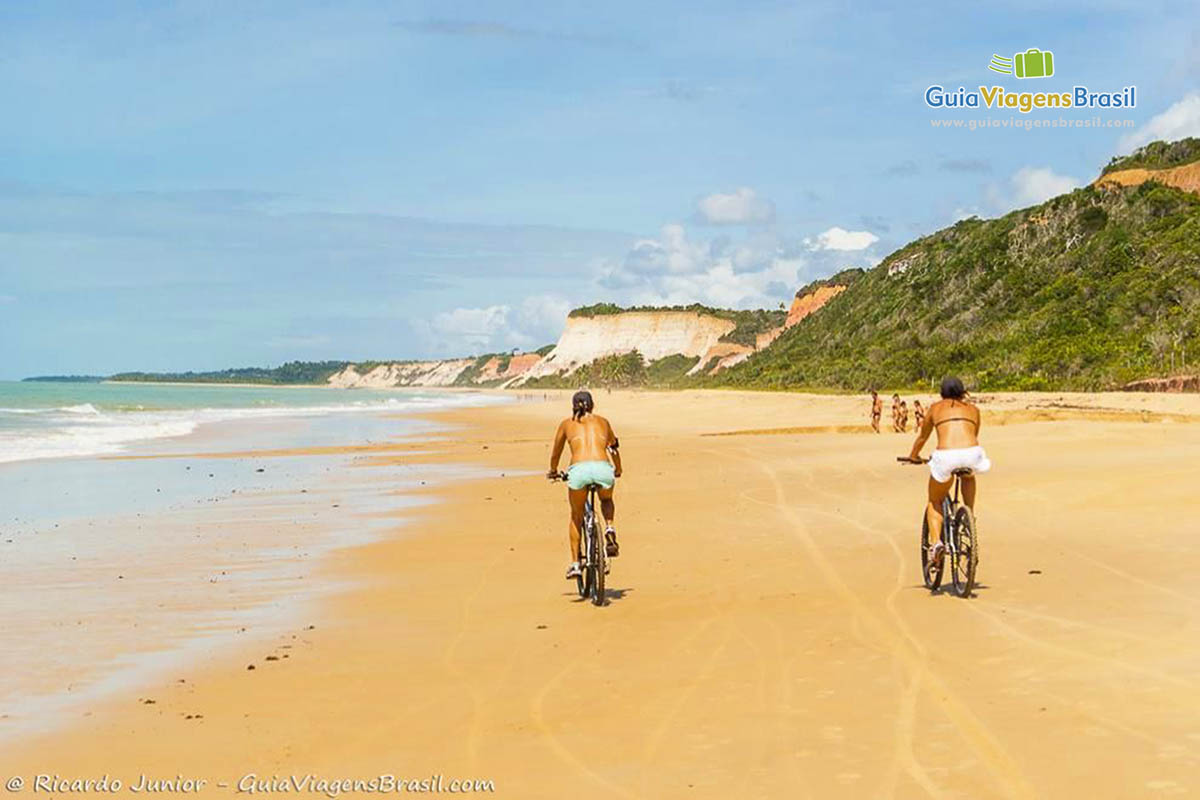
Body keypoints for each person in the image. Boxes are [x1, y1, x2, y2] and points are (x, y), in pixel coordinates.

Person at [905, 377, 991, 569]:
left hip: (946, 456)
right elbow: (974, 434)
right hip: (972, 454)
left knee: (934, 501)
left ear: (941, 393)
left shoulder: (935, 409)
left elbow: (922, 437)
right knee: (968, 475)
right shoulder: (974, 410)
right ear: (962, 392)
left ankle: (936, 544)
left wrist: (913, 456)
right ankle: (969, 517)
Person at [548, 390, 623, 580]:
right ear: (593, 405)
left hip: (579, 471)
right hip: (603, 468)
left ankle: (575, 564)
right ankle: (609, 527)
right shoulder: (603, 422)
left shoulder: (567, 424)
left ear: (573, 406)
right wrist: (618, 469)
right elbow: (613, 448)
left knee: (576, 515)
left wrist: (553, 470)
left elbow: (556, 451)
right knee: (606, 499)